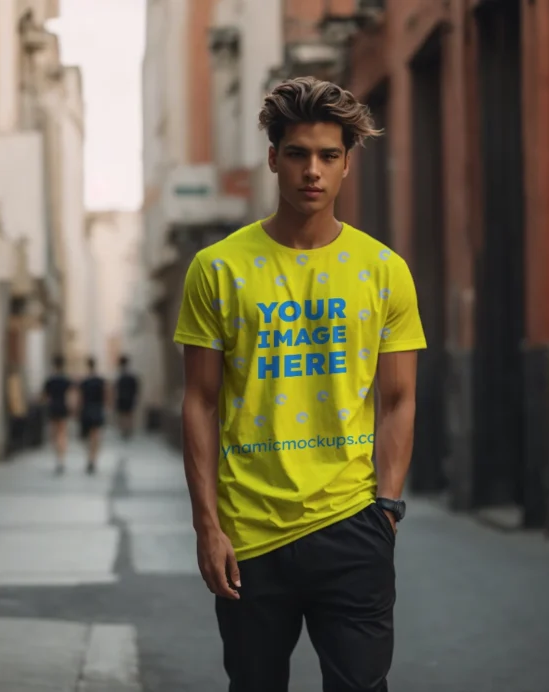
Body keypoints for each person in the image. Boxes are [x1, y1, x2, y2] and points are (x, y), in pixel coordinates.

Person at [173, 76, 427, 692]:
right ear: (273, 158)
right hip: (248, 533)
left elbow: (397, 400)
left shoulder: (384, 271)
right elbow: (201, 402)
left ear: (346, 164)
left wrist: (386, 510)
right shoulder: (218, 269)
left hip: (352, 524)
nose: (312, 171)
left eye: (328, 156)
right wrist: (208, 527)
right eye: (297, 154)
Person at [42, 355, 72, 474]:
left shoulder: (50, 380)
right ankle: (61, 458)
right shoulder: (65, 379)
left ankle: (58, 457)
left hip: (53, 407)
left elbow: (44, 396)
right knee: (62, 433)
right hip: (62, 407)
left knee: (54, 434)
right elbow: (71, 395)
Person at [78, 356, 107, 474]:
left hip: (86, 410)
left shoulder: (84, 382)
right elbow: (106, 396)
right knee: (96, 435)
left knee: (88, 436)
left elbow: (80, 398)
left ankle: (90, 457)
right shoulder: (100, 381)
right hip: (97, 409)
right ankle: (93, 458)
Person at [114, 355, 140, 440]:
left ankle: (125, 430)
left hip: (122, 397)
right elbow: (136, 388)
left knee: (123, 415)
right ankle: (128, 430)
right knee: (128, 415)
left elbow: (116, 388)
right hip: (129, 397)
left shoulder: (120, 375)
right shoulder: (131, 375)